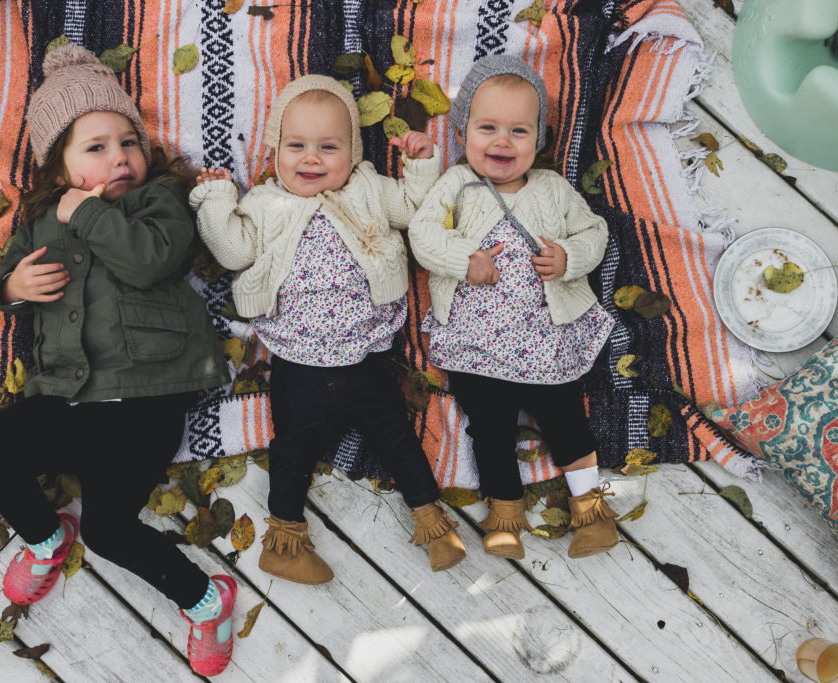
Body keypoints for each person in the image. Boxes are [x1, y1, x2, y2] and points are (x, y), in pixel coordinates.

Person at [0, 44, 235, 677]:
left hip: (147, 396)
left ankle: (205, 599)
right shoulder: (38, 223)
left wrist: (85, 211)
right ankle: (47, 534)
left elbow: (149, 259)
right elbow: (9, 276)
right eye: (96, 147)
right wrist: (11, 288)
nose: (120, 158)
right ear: (58, 169)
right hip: (66, 396)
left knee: (111, 531)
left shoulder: (158, 203)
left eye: (128, 142)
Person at [189, 75, 466, 584]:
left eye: (328, 147)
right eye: (296, 146)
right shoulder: (264, 203)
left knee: (398, 439)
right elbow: (233, 251)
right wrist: (214, 199)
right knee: (292, 450)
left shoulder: (366, 187)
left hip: (365, 358)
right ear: (275, 151)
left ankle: (433, 523)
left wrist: (421, 164)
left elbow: (412, 208)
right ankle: (284, 542)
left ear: (353, 152)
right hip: (296, 364)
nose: (311, 159)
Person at [409, 54, 619, 561]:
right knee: (490, 425)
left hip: (546, 338)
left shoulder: (552, 189)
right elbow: (422, 235)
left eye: (518, 131)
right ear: (463, 133)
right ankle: (505, 513)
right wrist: (465, 259)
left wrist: (569, 258)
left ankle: (590, 507)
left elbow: (595, 231)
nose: (502, 142)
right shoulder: (455, 186)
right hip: (476, 343)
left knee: (564, 415)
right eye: (488, 128)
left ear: (538, 140)